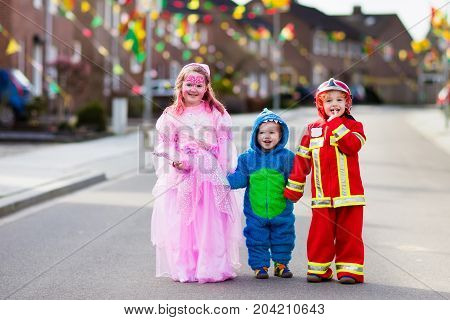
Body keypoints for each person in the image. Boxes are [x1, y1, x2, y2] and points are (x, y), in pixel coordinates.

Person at [151, 63, 241, 283]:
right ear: (180, 86)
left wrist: (219, 160)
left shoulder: (215, 113)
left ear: (206, 88)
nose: (193, 89)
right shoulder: (171, 115)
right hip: (182, 176)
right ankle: (186, 267)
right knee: (184, 223)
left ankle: (212, 266)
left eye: (198, 85)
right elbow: (163, 144)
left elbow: (225, 144)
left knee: (209, 221)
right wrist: (176, 160)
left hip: (209, 176)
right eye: (188, 84)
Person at [284, 78, 366, 284]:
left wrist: (337, 124)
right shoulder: (311, 130)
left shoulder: (355, 126)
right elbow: (302, 161)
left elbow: (352, 146)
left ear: (348, 104)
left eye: (340, 99)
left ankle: (350, 271)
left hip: (350, 196)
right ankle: (319, 269)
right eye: (329, 101)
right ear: (321, 105)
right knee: (320, 234)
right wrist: (294, 189)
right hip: (322, 197)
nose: (334, 104)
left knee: (350, 235)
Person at [227, 108, 296, 279]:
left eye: (272, 132)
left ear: (281, 136)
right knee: (256, 238)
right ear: (255, 136)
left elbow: (296, 178)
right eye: (262, 132)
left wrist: (297, 186)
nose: (267, 136)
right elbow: (240, 179)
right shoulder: (247, 158)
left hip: (281, 209)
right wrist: (223, 179)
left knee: (284, 237)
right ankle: (260, 266)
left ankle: (281, 264)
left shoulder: (287, 157)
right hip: (255, 212)